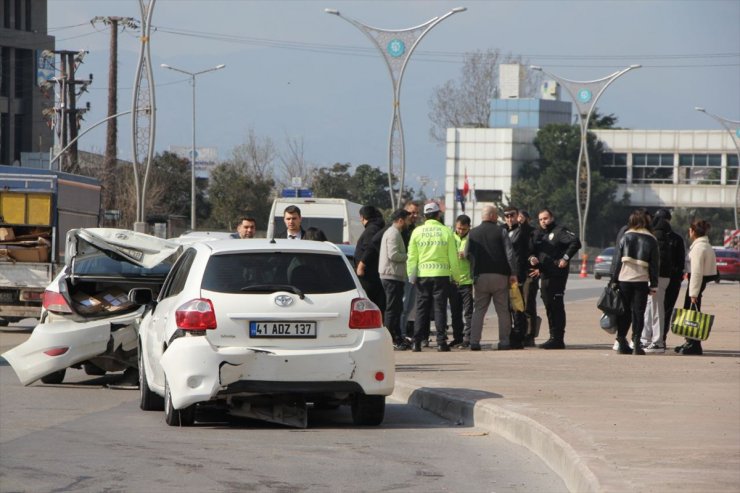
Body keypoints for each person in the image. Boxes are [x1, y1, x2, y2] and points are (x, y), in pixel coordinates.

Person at [406, 201, 460, 352]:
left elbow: (412, 257)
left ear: (425, 216)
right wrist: (456, 276)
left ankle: (417, 342)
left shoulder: (417, 232)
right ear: (438, 215)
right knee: (440, 308)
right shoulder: (446, 232)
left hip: (422, 276)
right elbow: (453, 258)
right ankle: (441, 342)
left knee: (421, 309)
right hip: (441, 275)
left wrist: (411, 276)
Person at [466, 205, 518, 351]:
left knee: (479, 310)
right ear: (493, 216)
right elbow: (510, 254)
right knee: (502, 310)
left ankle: (474, 342)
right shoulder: (501, 231)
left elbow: (466, 253)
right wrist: (513, 272)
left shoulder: (473, 233)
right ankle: (504, 341)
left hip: (480, 277)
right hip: (500, 276)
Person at [529, 208, 582, 349]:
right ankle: (552, 336)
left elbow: (575, 242)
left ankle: (558, 338)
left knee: (556, 305)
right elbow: (532, 251)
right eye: (540, 219)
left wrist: (565, 258)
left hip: (557, 275)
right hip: (545, 274)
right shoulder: (539, 234)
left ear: (551, 218)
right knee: (548, 305)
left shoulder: (559, 231)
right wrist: (533, 259)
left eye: (545, 218)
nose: (543, 221)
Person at [611, 209, 659, 355]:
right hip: (641, 281)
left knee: (623, 312)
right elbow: (655, 264)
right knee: (639, 313)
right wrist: (654, 284)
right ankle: (637, 343)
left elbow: (617, 261)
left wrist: (614, 280)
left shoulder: (625, 237)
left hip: (624, 279)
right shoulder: (651, 239)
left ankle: (621, 341)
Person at [674, 220, 717, 356]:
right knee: (691, 313)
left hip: (696, 282)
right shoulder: (705, 245)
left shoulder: (699, 248)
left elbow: (697, 272)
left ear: (693, 231)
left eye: (690, 230)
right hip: (698, 282)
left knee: (691, 314)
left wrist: (693, 293)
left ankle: (694, 344)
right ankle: (690, 341)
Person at [641, 208, 674, 353]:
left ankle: (657, 341)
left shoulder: (656, 235)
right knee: (651, 307)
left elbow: (655, 261)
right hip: (662, 276)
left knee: (656, 309)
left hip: (657, 277)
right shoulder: (667, 235)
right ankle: (646, 338)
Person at [379, 209, 411, 350]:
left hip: (394, 276)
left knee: (396, 308)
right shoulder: (393, 233)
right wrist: (408, 255)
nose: (408, 222)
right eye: (407, 219)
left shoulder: (394, 233)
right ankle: (389, 338)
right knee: (392, 309)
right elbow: (393, 255)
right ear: (400, 220)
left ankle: (396, 336)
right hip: (391, 276)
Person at [503, 206, 529, 349]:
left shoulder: (521, 231)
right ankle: (512, 334)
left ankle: (520, 336)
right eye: (506, 216)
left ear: (517, 216)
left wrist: (522, 222)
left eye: (512, 215)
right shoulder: (503, 230)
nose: (509, 218)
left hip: (517, 274)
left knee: (517, 306)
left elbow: (527, 235)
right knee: (507, 306)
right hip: (505, 274)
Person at [354, 205, 386, 314]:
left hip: (369, 276)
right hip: (372, 275)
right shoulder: (375, 228)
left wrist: (361, 265)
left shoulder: (371, 230)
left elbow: (370, 248)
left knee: (369, 306)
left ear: (363, 217)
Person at [448, 214, 473, 348]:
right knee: (455, 312)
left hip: (468, 281)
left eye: (463, 229)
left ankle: (468, 338)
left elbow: (478, 256)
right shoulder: (451, 238)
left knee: (468, 312)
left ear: (469, 227)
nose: (460, 231)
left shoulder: (472, 238)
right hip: (453, 281)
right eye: (458, 228)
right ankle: (457, 337)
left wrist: (467, 255)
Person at [518, 210, 540, 347]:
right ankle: (518, 332)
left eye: (521, 217)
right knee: (515, 306)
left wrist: (540, 269)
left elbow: (540, 252)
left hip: (529, 273)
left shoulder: (534, 233)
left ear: (528, 219)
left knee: (528, 304)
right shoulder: (510, 232)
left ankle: (530, 335)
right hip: (515, 273)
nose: (518, 219)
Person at [400, 201, 422, 341]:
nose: (414, 215)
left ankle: (403, 333)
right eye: (411, 212)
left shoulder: (415, 229)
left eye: (416, 213)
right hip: (403, 271)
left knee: (409, 306)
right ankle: (400, 333)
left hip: (414, 270)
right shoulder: (400, 230)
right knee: (403, 304)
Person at [662, 224, 686, 348]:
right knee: (666, 310)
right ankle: (661, 338)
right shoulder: (677, 239)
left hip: (660, 279)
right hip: (673, 279)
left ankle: (653, 337)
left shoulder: (652, 236)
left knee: (654, 309)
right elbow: (681, 262)